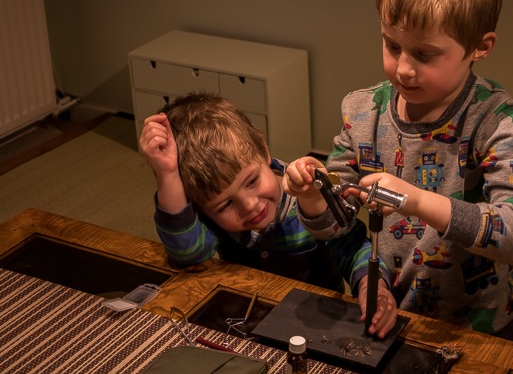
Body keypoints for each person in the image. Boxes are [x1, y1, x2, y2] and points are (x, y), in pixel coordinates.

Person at [284, 0, 513, 353]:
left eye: (424, 53)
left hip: (477, 323)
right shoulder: (361, 113)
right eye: (391, 45)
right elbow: (336, 225)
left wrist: (415, 200)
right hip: (391, 310)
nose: (403, 68)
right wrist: (311, 195)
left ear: (480, 47)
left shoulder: (497, 120)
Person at [138, 92, 397, 338]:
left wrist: (370, 285)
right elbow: (187, 254)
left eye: (251, 181)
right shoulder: (211, 217)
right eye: (225, 204)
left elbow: (351, 246)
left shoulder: (308, 199)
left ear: (263, 148)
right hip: (246, 322)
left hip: (318, 324)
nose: (249, 205)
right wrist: (168, 175)